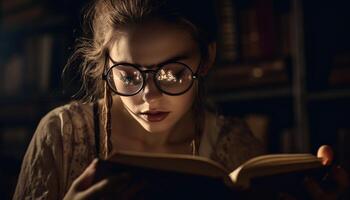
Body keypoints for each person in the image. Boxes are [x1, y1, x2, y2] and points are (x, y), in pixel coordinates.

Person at [13, 0, 349, 199]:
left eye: (172, 73)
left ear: (205, 59)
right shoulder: (61, 135)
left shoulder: (234, 146)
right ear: (105, 67)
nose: (149, 95)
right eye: (128, 76)